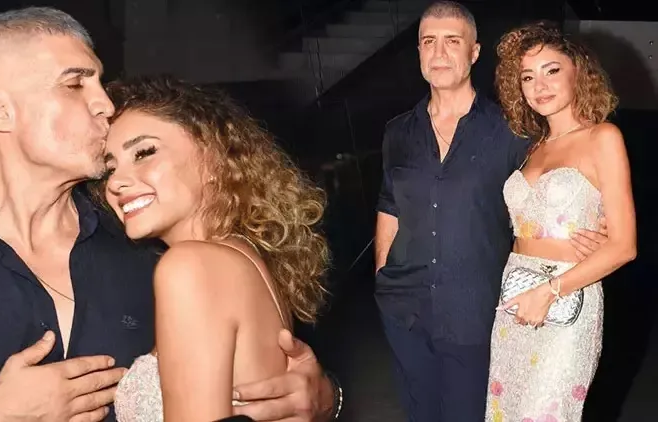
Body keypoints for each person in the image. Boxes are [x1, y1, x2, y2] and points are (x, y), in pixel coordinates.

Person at [0, 7, 340, 422]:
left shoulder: (151, 240)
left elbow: (267, 369)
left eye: (99, 82)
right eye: (75, 84)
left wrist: (327, 397)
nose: (105, 103)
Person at [373, 2, 608, 421]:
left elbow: (557, 187)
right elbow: (389, 208)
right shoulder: (397, 132)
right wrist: (382, 279)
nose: (439, 52)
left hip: (476, 313)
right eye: (429, 41)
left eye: (452, 41)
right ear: (418, 51)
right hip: (404, 311)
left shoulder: (514, 131)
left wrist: (597, 228)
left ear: (474, 52)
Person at [89, 75, 330, 422]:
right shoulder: (240, 255)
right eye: (110, 168)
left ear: (214, 158)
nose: (116, 182)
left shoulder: (190, 266)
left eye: (144, 153)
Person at [485, 21, 636, 421]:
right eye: (527, 77)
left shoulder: (603, 137)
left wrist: (550, 291)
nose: (540, 85)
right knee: (506, 411)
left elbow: (624, 246)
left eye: (551, 70)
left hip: (568, 296)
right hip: (516, 292)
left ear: (578, 72)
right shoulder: (534, 147)